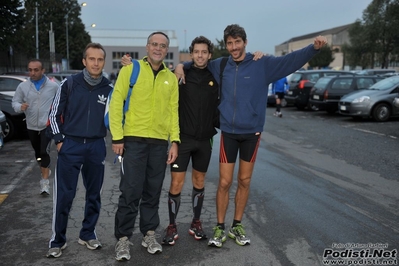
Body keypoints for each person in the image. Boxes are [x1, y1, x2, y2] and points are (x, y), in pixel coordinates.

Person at [175, 24, 327, 248]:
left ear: (245, 42)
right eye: (229, 43)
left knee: (244, 181)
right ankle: (219, 227)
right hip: (229, 132)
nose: (234, 47)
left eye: (237, 42)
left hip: (251, 134)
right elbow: (199, 63)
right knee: (225, 182)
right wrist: (180, 65)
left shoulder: (261, 63)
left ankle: (236, 225)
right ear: (225, 45)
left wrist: (312, 49)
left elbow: (290, 60)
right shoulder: (221, 64)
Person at [110, 31, 180, 261]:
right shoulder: (130, 70)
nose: (158, 48)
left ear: (166, 50)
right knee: (130, 191)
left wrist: (175, 142)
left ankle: (149, 234)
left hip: (159, 143)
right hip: (133, 140)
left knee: (152, 191)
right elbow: (116, 104)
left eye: (163, 45)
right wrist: (117, 138)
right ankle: (122, 239)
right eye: (154, 44)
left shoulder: (170, 78)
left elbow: (173, 114)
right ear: (147, 47)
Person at [46, 43, 113, 258]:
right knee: (64, 196)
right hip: (71, 145)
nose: (95, 63)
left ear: (104, 62)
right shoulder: (69, 84)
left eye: (100, 59)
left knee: (94, 195)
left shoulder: (109, 89)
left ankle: (87, 234)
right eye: (91, 59)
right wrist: (59, 141)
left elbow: (117, 117)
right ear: (84, 61)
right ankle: (58, 240)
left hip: (96, 146)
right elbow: (54, 114)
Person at [12, 59, 58, 195]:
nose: (32, 73)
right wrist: (20, 107)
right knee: (38, 154)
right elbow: (15, 102)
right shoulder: (23, 87)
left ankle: (44, 183)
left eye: (36, 70)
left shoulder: (53, 86)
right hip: (31, 125)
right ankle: (45, 168)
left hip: (47, 125)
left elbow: (61, 102)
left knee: (44, 152)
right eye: (30, 70)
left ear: (43, 70)